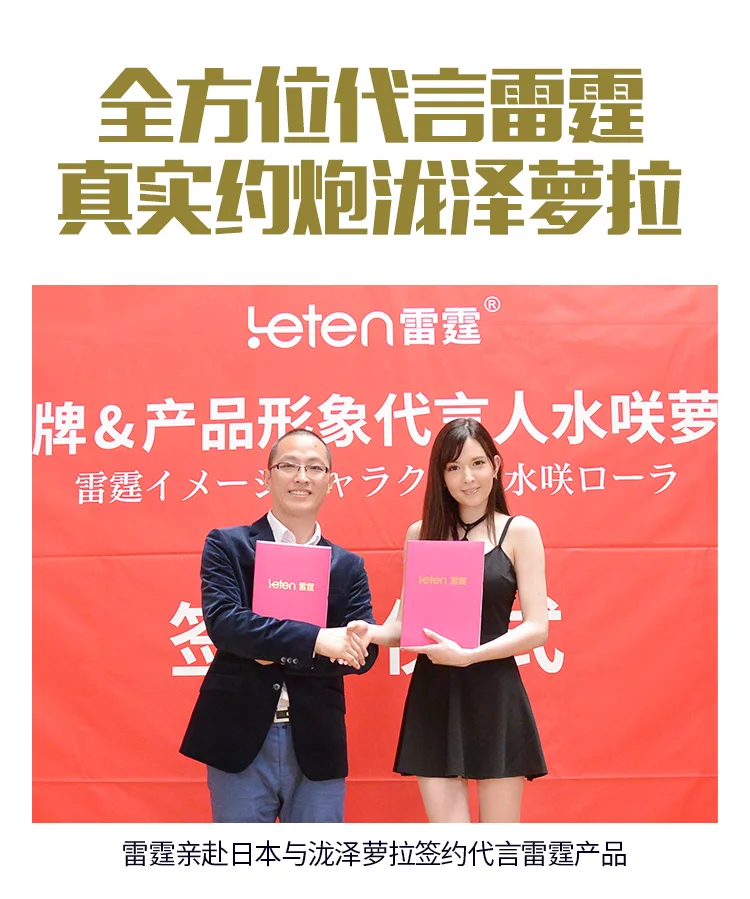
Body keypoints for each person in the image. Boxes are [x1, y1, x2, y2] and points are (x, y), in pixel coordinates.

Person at [180, 428, 378, 823]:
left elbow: (363, 651)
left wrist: (269, 648)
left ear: (330, 481)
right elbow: (227, 625)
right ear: (267, 477)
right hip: (238, 738)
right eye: (289, 466)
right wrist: (318, 640)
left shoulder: (348, 566)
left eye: (315, 468)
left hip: (316, 740)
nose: (302, 477)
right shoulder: (229, 546)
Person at [361, 418, 548, 823]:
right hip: (435, 694)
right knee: (451, 847)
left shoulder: (519, 531)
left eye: (477, 463)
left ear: (495, 466)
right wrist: (369, 632)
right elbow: (406, 625)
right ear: (441, 475)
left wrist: (470, 655)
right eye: (454, 467)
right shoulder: (421, 533)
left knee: (500, 847)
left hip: (495, 691)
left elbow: (537, 627)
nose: (468, 478)